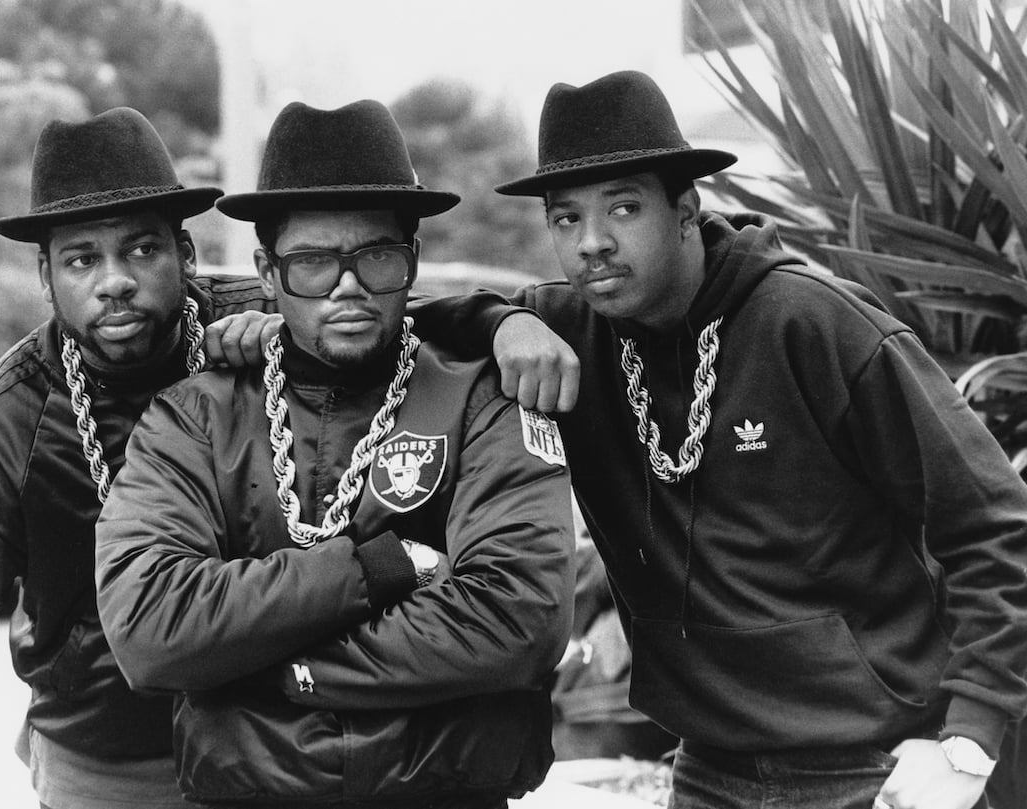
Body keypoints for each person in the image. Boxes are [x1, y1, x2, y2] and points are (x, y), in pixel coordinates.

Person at [411, 71, 1027, 809]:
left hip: (874, 769)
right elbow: (399, 316)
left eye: (625, 208)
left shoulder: (816, 325)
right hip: (705, 770)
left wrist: (970, 740)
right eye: (566, 218)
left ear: (686, 210)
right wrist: (501, 322)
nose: (593, 244)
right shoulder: (569, 330)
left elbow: (993, 518)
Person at [93, 98, 576, 809]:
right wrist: (378, 567)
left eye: (375, 256)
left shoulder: (485, 399)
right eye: (315, 261)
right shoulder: (193, 417)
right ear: (267, 269)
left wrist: (258, 663)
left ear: (412, 261)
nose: (348, 285)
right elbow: (150, 625)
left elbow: (517, 618)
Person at [0, 107, 277, 809]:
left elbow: (397, 321)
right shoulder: (3, 423)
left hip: (276, 743)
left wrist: (512, 323)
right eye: (81, 258)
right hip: (110, 766)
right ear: (46, 275)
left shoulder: (261, 328)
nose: (115, 280)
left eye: (141, 250)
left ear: (185, 253)